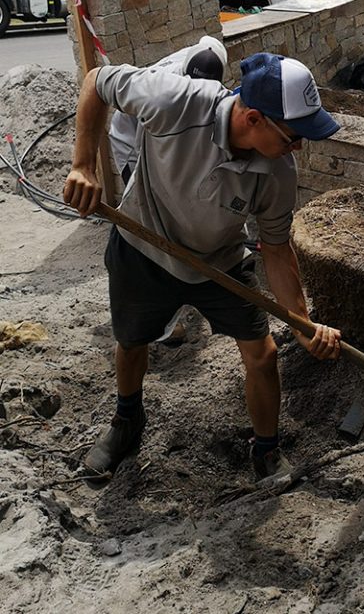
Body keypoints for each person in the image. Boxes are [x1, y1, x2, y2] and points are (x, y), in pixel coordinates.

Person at [63, 52, 342, 486]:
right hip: (142, 248)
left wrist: (303, 324)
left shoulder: (277, 172)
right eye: (293, 136)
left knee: (263, 354)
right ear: (253, 118)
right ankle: (126, 421)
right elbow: (97, 81)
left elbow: (275, 248)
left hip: (220, 263)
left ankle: (267, 450)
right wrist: (83, 165)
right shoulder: (176, 101)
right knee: (132, 341)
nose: (298, 147)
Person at [109, 35, 228, 184]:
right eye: (193, 90)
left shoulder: (207, 62)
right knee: (140, 191)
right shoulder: (160, 89)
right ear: (184, 75)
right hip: (128, 139)